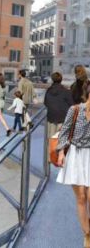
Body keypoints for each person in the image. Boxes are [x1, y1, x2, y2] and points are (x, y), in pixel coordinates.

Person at [56, 81, 90, 248]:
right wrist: (61, 153)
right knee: (81, 197)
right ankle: (87, 235)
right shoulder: (75, 110)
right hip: (76, 155)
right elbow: (64, 133)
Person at [44, 72, 73, 137]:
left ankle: (50, 147)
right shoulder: (66, 91)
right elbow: (72, 104)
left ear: (52, 79)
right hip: (63, 118)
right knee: (60, 139)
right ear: (61, 80)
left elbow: (46, 103)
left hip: (51, 118)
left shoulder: (48, 91)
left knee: (51, 139)